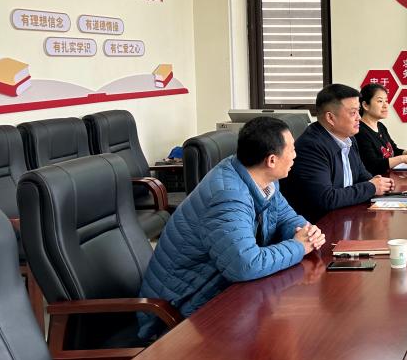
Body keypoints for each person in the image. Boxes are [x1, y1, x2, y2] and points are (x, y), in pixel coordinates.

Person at [138, 117, 325, 338]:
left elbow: (284, 215)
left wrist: (305, 231)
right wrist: (298, 246)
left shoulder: (259, 176)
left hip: (220, 292)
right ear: (272, 160)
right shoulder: (228, 196)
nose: (295, 155)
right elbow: (245, 265)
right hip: (179, 314)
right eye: (291, 150)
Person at [281, 83, 394, 221]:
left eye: (358, 111)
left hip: (345, 217)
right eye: (353, 113)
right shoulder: (311, 146)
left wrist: (379, 182)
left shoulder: (349, 138)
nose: (359, 117)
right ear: (330, 118)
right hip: (319, 225)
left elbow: (361, 174)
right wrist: (371, 187)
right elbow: (326, 198)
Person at [355, 82, 407, 176]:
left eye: (386, 101)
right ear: (365, 105)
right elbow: (373, 165)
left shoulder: (380, 126)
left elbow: (393, 151)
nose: (385, 105)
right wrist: (403, 159)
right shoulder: (360, 131)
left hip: (389, 178)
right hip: (376, 182)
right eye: (380, 101)